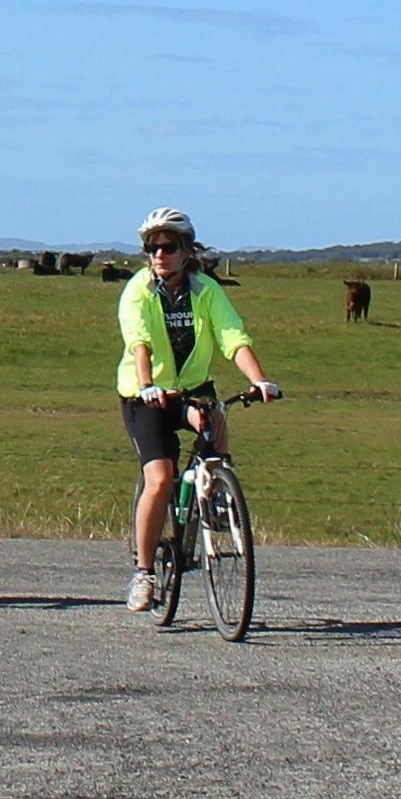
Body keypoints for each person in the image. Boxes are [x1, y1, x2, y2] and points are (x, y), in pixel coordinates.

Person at [115, 205, 278, 612]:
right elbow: (139, 342)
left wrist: (258, 380)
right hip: (145, 395)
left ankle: (217, 486)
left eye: (167, 246)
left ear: (186, 250)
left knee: (214, 414)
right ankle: (145, 572)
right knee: (160, 477)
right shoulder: (139, 289)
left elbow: (232, 337)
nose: (158, 254)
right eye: (150, 247)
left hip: (190, 390)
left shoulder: (205, 289)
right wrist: (149, 385)